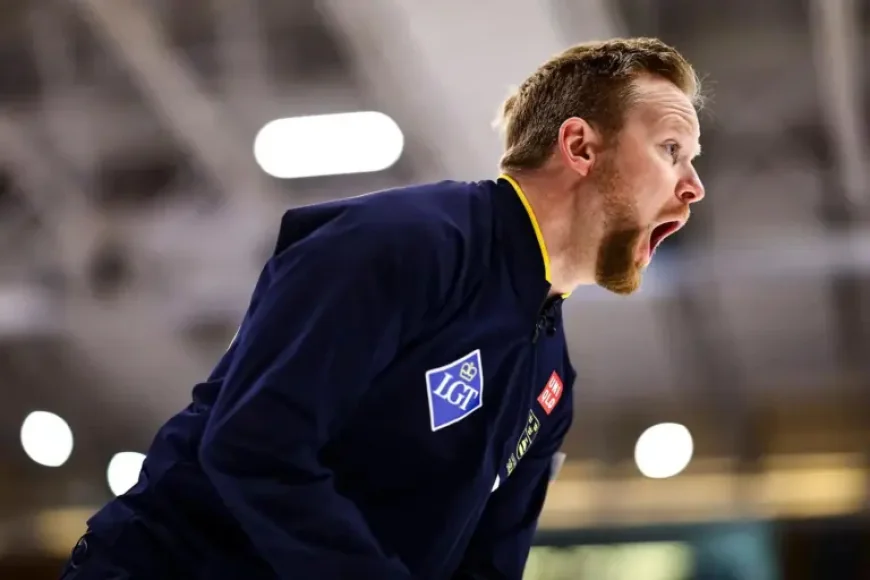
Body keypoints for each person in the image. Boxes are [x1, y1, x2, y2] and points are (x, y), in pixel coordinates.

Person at [60, 37, 705, 580]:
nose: (693, 186)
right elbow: (254, 446)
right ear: (580, 147)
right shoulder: (404, 243)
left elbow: (483, 566)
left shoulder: (552, 378)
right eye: (671, 149)